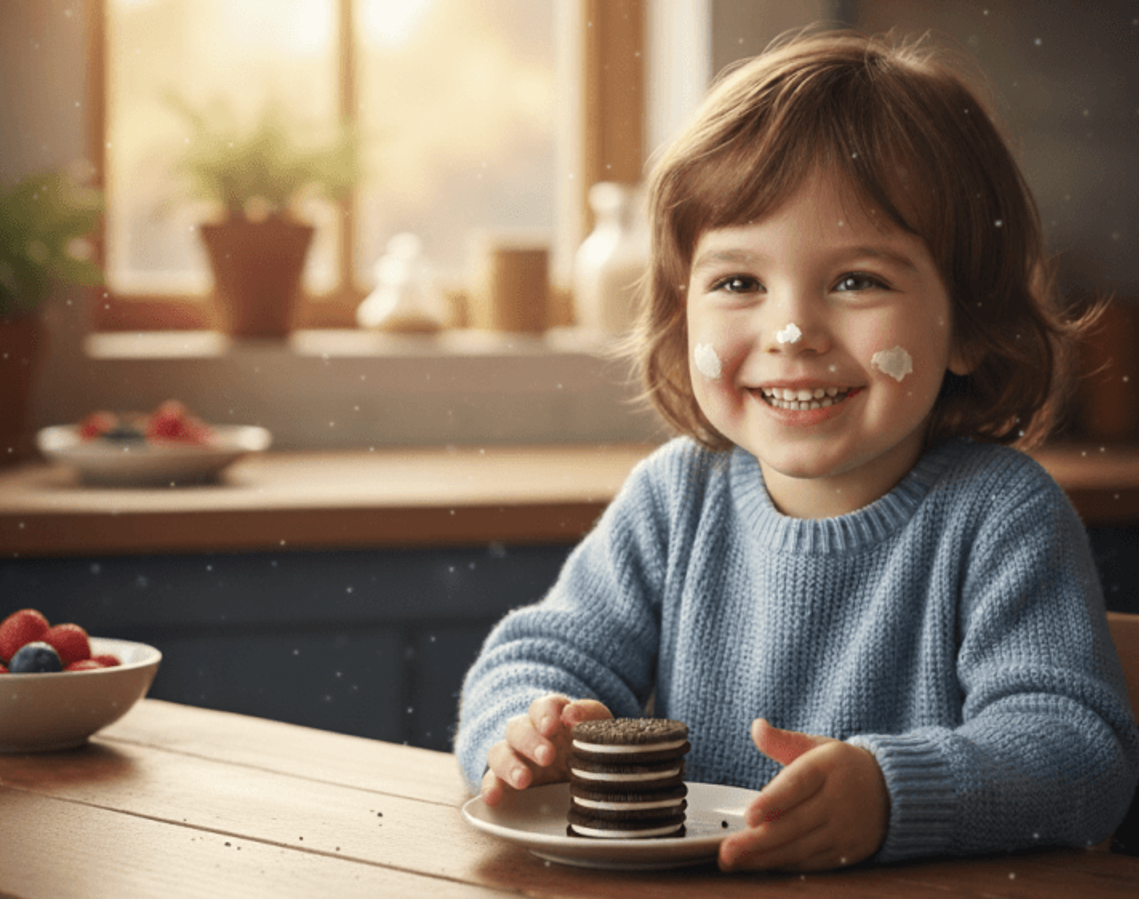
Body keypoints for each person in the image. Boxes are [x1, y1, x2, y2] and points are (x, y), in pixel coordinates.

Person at [454, 29, 1139, 872]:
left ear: (968, 321)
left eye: (856, 280)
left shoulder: (1003, 515)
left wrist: (891, 795)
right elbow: (536, 657)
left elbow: (1076, 753)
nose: (792, 332)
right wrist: (529, 733)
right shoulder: (674, 499)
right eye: (739, 282)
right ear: (681, 315)